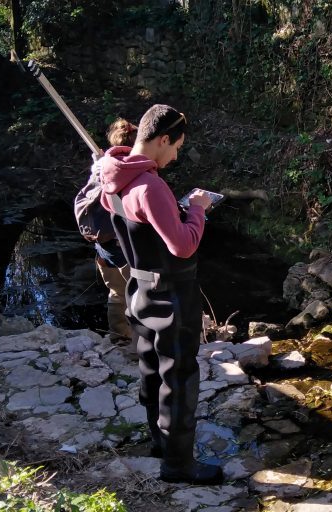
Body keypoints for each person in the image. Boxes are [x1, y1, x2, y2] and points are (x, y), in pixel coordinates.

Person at [98, 104, 222, 484]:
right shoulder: (150, 185)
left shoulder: (112, 174)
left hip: (139, 288)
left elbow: (142, 226)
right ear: (163, 139)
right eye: (177, 147)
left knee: (152, 369)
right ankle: (179, 465)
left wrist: (176, 211)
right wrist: (198, 209)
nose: (175, 156)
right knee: (180, 376)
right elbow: (182, 246)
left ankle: (159, 443)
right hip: (172, 295)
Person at [92, 118, 137, 343]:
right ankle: (144, 341)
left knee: (117, 293)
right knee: (140, 294)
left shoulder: (100, 166)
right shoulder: (130, 170)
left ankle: (119, 336)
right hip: (124, 245)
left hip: (103, 245)